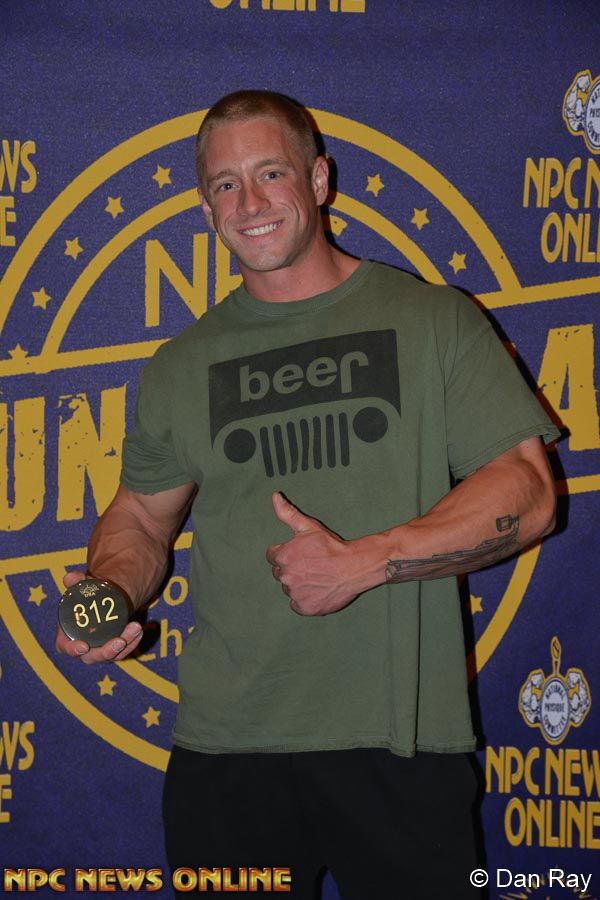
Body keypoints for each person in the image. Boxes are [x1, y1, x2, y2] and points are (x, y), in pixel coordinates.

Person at [56, 90, 559, 898]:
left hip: (399, 748)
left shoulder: (432, 320)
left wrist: (367, 561)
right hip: (226, 755)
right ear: (205, 207)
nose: (249, 203)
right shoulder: (181, 365)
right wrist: (111, 587)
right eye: (225, 185)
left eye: (270, 174)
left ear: (319, 180)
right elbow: (142, 516)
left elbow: (528, 491)